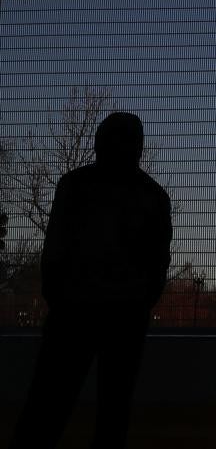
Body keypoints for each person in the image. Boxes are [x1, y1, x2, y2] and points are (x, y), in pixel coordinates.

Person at [11, 112, 172, 449]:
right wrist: (140, 301)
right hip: (124, 316)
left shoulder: (75, 186)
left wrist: (60, 298)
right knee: (113, 410)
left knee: (48, 405)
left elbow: (54, 250)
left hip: (74, 313)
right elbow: (158, 262)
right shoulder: (152, 196)